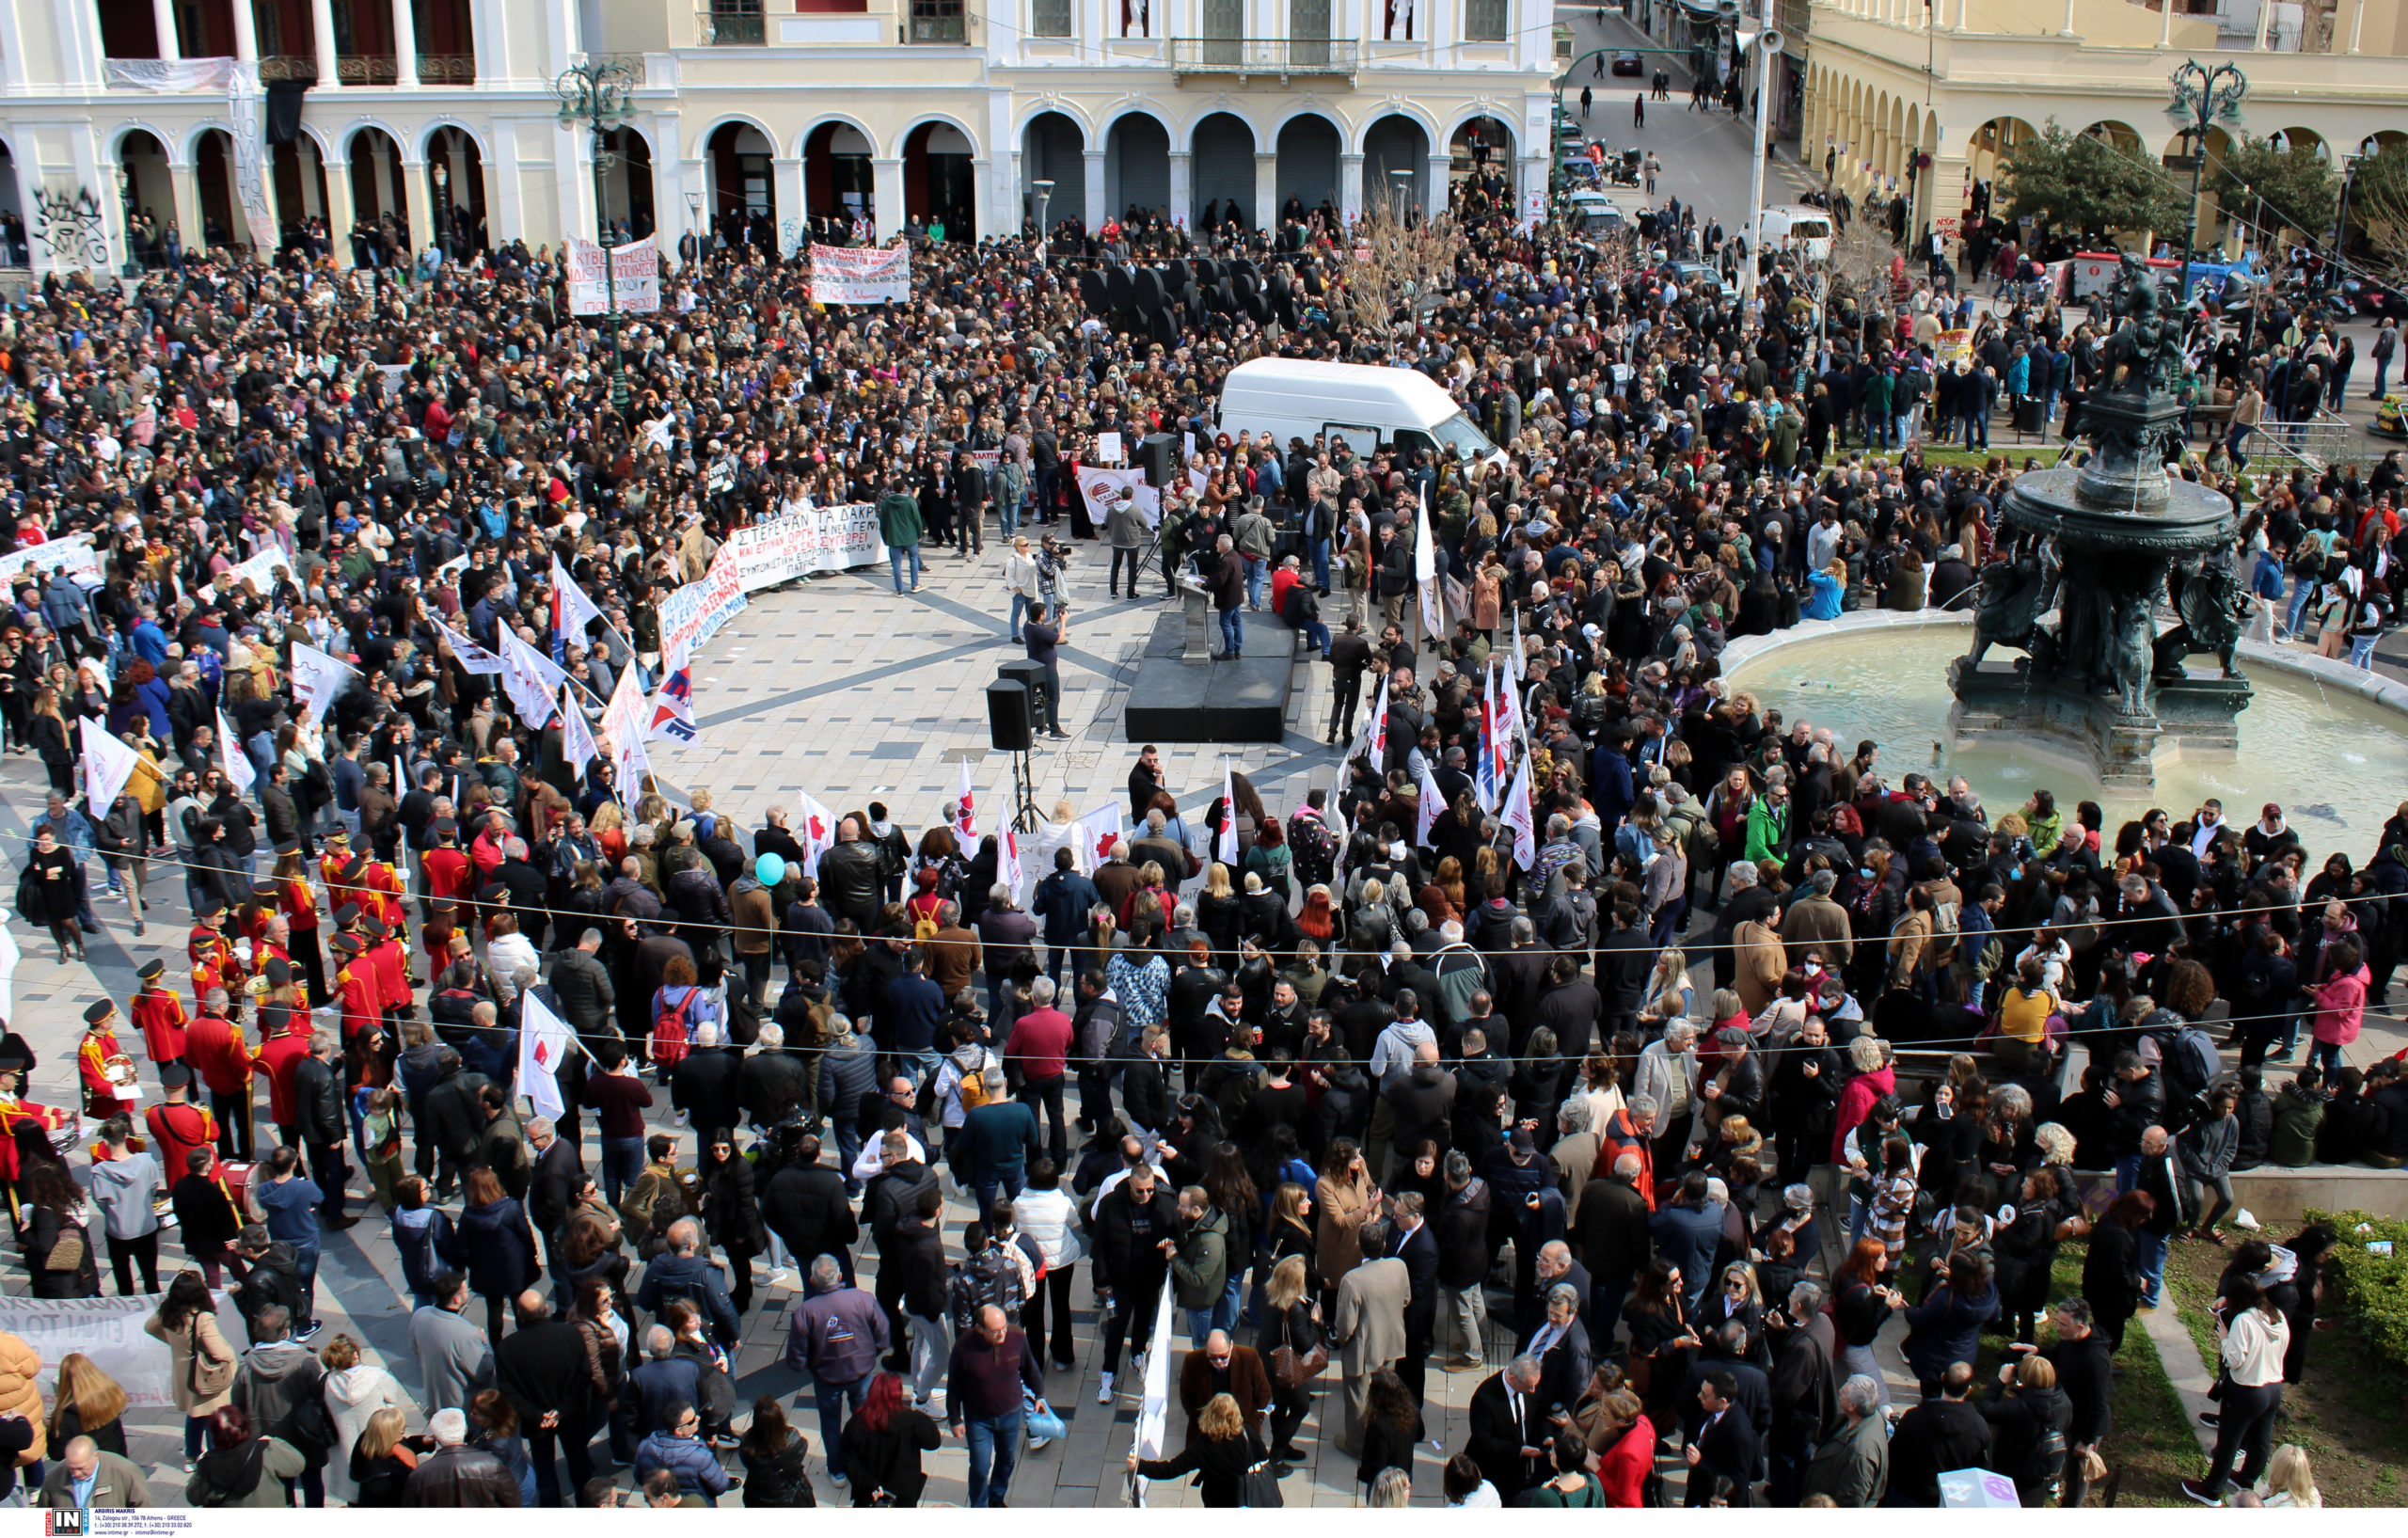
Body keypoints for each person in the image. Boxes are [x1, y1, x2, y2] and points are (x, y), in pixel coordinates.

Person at [2181, 1274, 2291, 1505]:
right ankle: (2247, 1479)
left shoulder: (2244, 1320)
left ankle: (2211, 1491)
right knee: (2261, 1438)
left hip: (2248, 1391)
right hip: (2273, 1388)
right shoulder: (2278, 1316)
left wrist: (2225, 1339)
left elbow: (2234, 1359)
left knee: (2229, 1441)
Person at [945, 1304, 1048, 1507]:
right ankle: (979, 1506)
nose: (1002, 1334)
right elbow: (954, 1386)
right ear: (979, 1329)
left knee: (1007, 1460)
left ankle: (996, 1497)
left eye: (1004, 1328)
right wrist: (955, 1419)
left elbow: (1030, 1368)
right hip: (978, 1419)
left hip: (1010, 1413)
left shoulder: (1016, 1336)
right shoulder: (963, 1348)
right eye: (995, 1331)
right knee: (980, 1467)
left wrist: (1040, 1394)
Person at [148, 1271, 238, 1468]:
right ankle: (215, 1461)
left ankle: (191, 1455)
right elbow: (219, 1351)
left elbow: (150, 1326)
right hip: (206, 1375)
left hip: (184, 1373)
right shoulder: (202, 1318)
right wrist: (231, 1355)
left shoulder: (168, 1310)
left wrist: (175, 1344)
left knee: (195, 1413)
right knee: (213, 1418)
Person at [1127, 1390, 1264, 1507]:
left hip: (1217, 1502)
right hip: (1248, 1498)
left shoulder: (1203, 1445)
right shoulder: (1248, 1433)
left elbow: (1171, 1469)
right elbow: (1264, 1458)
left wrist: (1140, 1466)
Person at [839, 1371, 943, 1507]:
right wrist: (919, 1415)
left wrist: (868, 1483)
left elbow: (846, 1458)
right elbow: (933, 1442)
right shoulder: (914, 1421)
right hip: (904, 1495)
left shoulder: (857, 1423)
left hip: (869, 1494)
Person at [1804, 1373, 1891, 1506]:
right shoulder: (1866, 1417)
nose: (1840, 1391)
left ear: (1852, 1406)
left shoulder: (1860, 1454)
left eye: (1844, 1393)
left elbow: (1851, 1501)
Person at [738, 1396, 818, 1507]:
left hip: (758, 1497)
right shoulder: (793, 1444)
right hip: (792, 1496)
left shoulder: (747, 1448)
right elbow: (803, 1444)